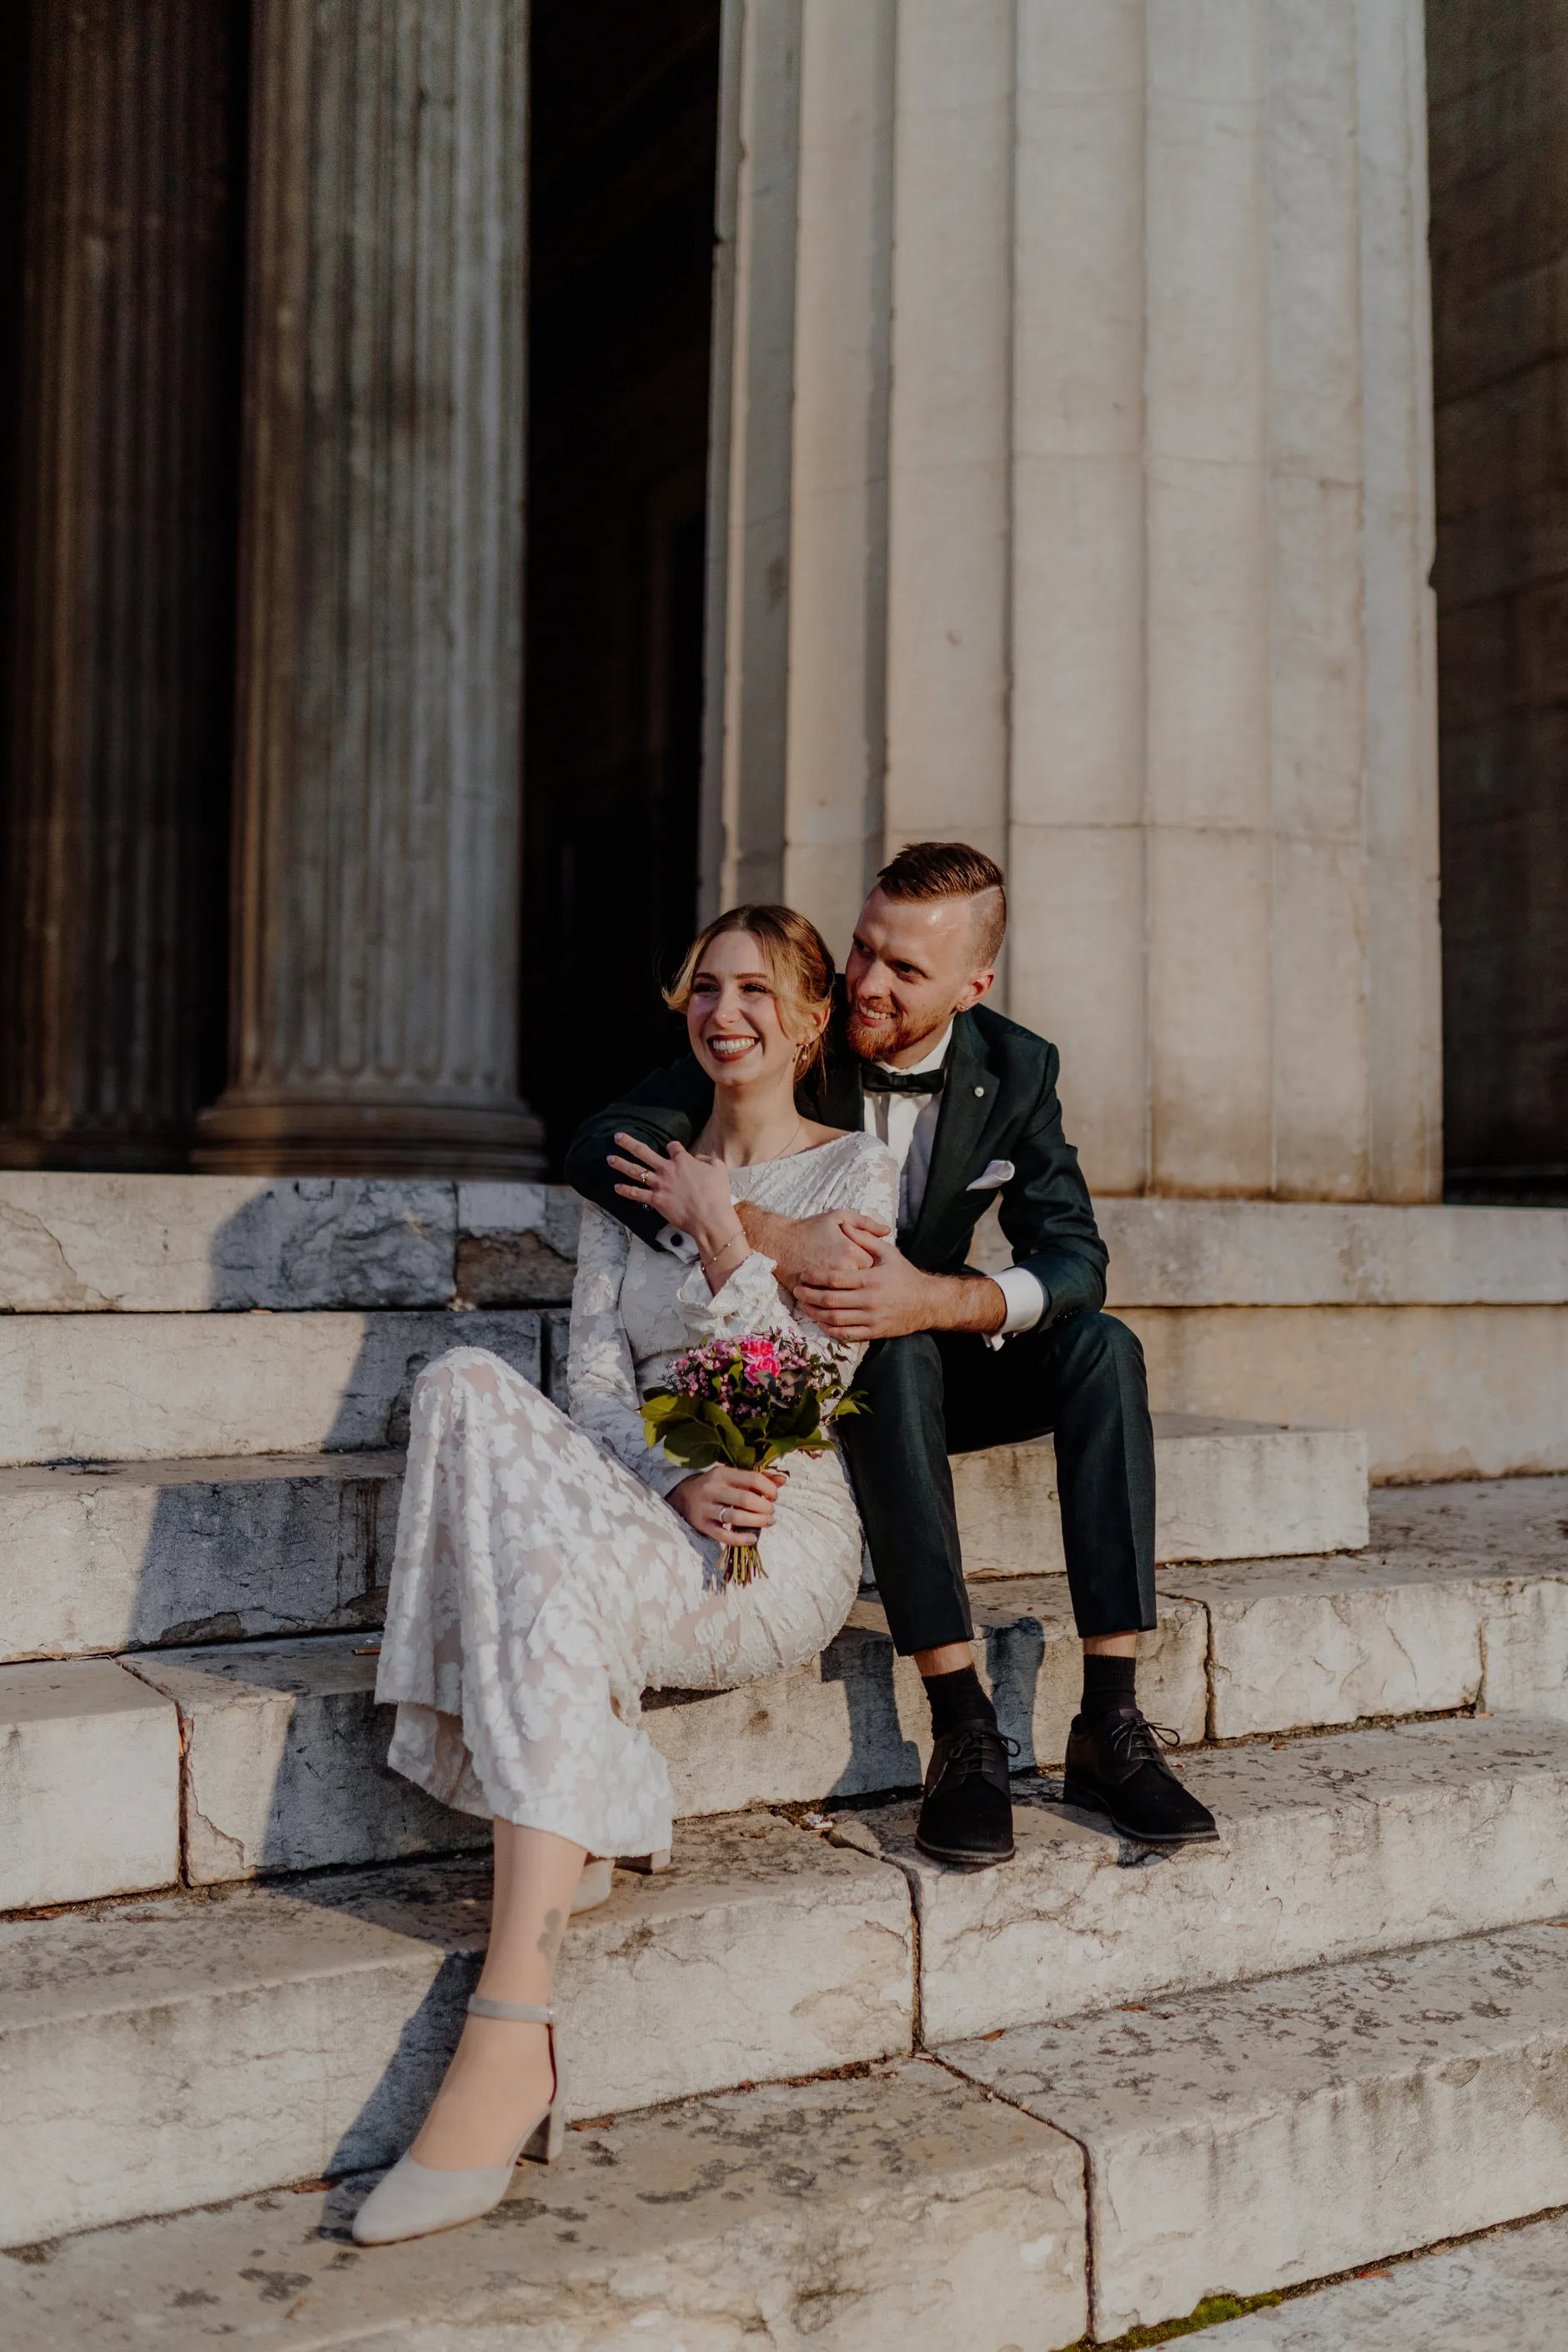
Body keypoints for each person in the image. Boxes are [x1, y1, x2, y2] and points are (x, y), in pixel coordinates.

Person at [351, 906, 898, 2246]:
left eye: (757, 991)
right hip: (663, 1491)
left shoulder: (858, 1175)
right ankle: (583, 1817)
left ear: (811, 1020)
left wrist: (727, 1238)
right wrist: (665, 1475)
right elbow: (595, 1384)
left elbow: (809, 1382)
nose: (726, 1012)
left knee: (553, 1584)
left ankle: (513, 2020)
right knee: (463, 1380)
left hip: (774, 1523)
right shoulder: (644, 1171)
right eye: (706, 988)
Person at [569, 842, 1218, 1867]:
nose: (866, 983)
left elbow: (1074, 1258)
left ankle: (1111, 1717)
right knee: (895, 1351)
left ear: (973, 986)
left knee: (1102, 1348)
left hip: (928, 1337)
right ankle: (961, 1724)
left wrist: (942, 1297)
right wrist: (777, 1233)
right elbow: (600, 1145)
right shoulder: (795, 1018)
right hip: (830, 1358)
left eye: (904, 970)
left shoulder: (1016, 1067)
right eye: (863, 948)